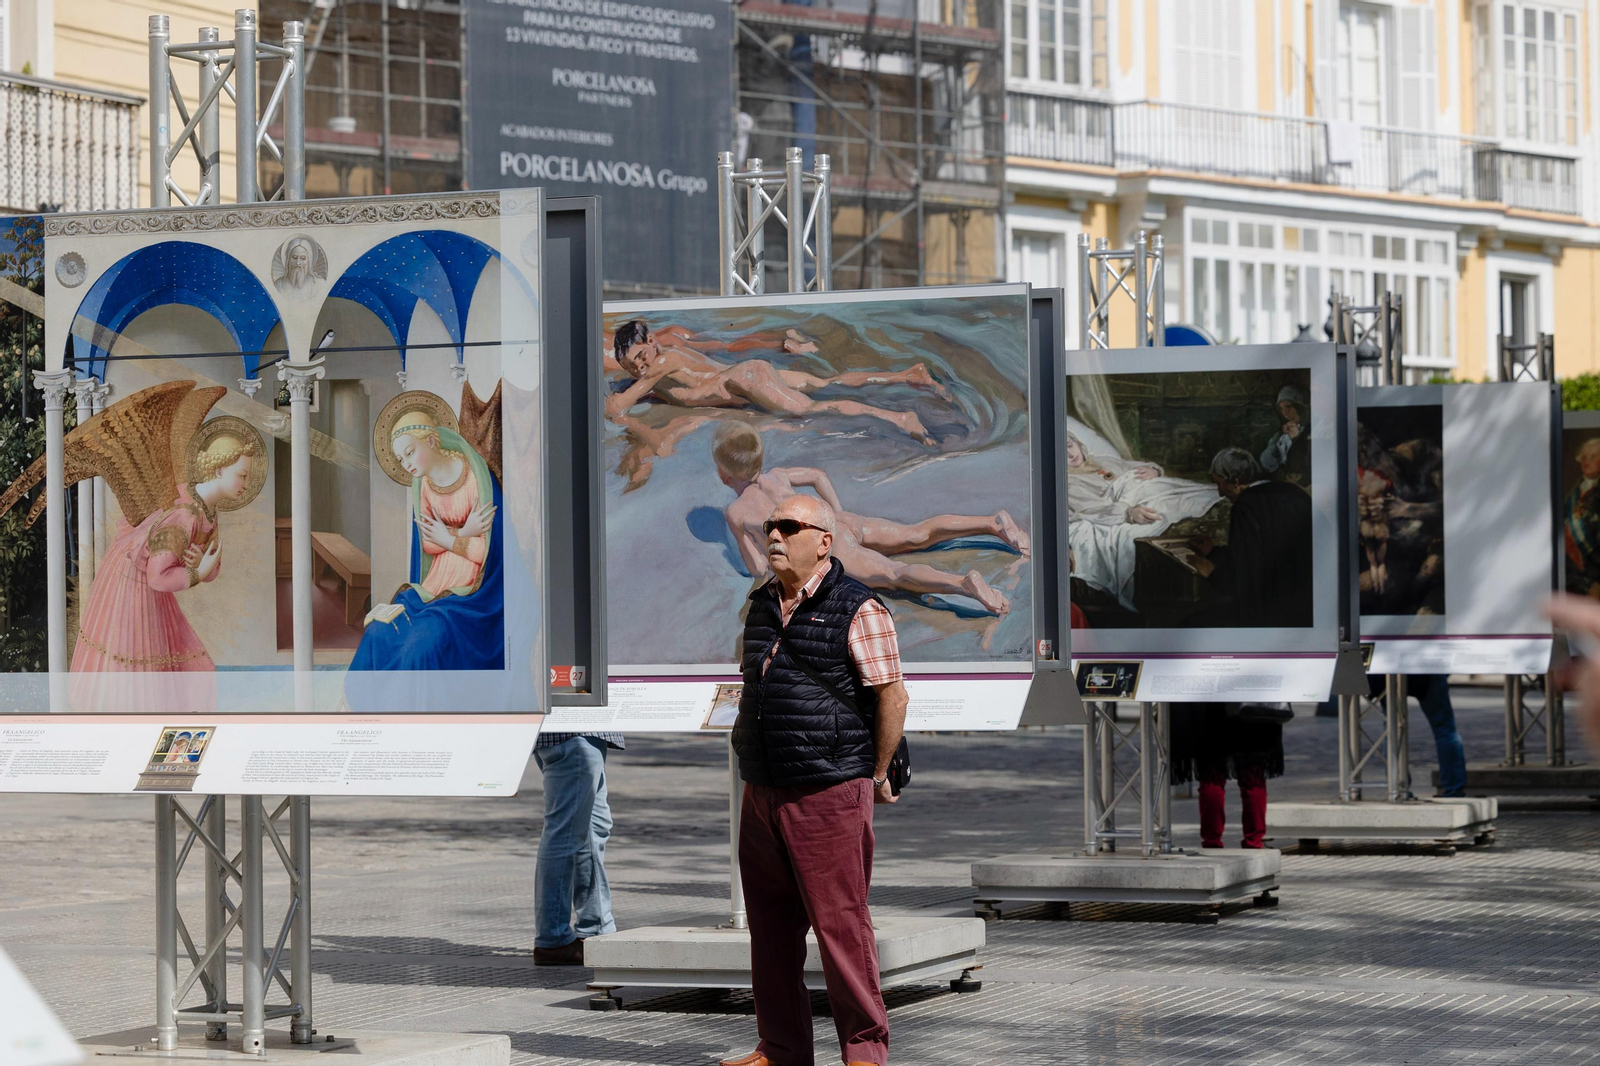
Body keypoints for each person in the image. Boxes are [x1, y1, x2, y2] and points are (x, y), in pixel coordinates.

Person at [723, 493, 908, 1066]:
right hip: (763, 787)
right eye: (770, 526)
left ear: (824, 541)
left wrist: (875, 772)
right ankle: (780, 1050)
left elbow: (892, 697)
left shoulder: (860, 607)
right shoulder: (760, 603)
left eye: (788, 526)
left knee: (840, 929)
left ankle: (865, 1053)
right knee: (770, 932)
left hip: (828, 789)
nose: (774, 536)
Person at [714, 423, 1024, 616]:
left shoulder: (736, 511)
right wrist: (836, 511)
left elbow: (757, 567)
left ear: (723, 473)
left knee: (893, 573)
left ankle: (962, 584)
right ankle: (991, 523)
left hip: (828, 546)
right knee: (915, 534)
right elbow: (818, 475)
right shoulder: (777, 475)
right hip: (840, 520)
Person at [608, 319, 944, 445]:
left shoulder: (662, 362)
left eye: (640, 357)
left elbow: (618, 406)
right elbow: (666, 389)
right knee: (824, 383)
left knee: (813, 409)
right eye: (631, 366)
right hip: (748, 375)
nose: (640, 367)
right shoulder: (663, 368)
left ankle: (900, 418)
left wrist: (618, 401)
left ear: (651, 341)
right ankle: (907, 375)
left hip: (746, 379)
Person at [1065, 432, 1223, 609]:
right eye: (1062, 453)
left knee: (1189, 495)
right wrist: (1128, 512)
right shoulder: (1068, 484)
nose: (1070, 454)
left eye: (1070, 445)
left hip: (1147, 492)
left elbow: (1136, 467)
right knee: (1161, 511)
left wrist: (1154, 470)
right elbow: (1093, 510)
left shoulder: (1104, 461)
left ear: (1078, 443)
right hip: (1127, 505)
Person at [1190, 447, 1313, 628]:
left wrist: (1211, 572)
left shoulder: (1245, 507)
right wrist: (1213, 552)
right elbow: (1263, 556)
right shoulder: (1292, 491)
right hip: (1308, 608)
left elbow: (1245, 582)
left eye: (1220, 484)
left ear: (1236, 481)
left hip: (1271, 616)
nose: (1220, 492)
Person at [531, 730, 623, 966]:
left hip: (578, 736)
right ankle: (553, 939)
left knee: (593, 828)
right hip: (574, 736)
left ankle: (595, 927)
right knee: (564, 834)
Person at [1170, 703, 1285, 849]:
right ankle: (1254, 840)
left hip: (1210, 713)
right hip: (1251, 712)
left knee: (1212, 778)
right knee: (1253, 777)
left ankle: (1211, 840)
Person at [1369, 674, 1465, 797]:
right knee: (1444, 729)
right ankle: (1454, 789)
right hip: (1426, 671)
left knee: (1392, 730)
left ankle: (1398, 788)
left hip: (1388, 673)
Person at [1564, 437, 1600, 597]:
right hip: (1572, 575)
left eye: (1593, 456)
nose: (1587, 461)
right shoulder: (1572, 494)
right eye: (1584, 457)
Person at [1259, 385, 1311, 485]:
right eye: (1281, 408)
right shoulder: (1282, 433)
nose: (1285, 413)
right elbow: (1266, 460)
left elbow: (1305, 463)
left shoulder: (1313, 431)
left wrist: (1296, 438)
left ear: (1300, 407)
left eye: (1288, 407)